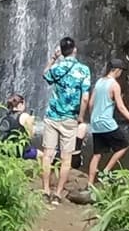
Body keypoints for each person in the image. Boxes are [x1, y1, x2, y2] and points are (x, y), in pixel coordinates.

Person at [39, 34, 93, 204]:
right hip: (71, 118)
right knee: (66, 158)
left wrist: (53, 58)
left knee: (48, 155)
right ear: (74, 50)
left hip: (52, 116)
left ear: (61, 52)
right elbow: (85, 98)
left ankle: (46, 190)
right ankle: (58, 194)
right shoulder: (83, 70)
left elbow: (45, 74)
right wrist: (81, 117)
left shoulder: (58, 67)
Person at [86, 59, 129, 186]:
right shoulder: (114, 85)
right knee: (123, 145)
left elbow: (90, 103)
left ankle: (89, 183)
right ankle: (106, 171)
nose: (121, 74)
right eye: (121, 71)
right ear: (117, 70)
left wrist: (93, 118)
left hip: (95, 123)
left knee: (97, 154)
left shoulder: (99, 82)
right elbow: (121, 107)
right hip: (107, 123)